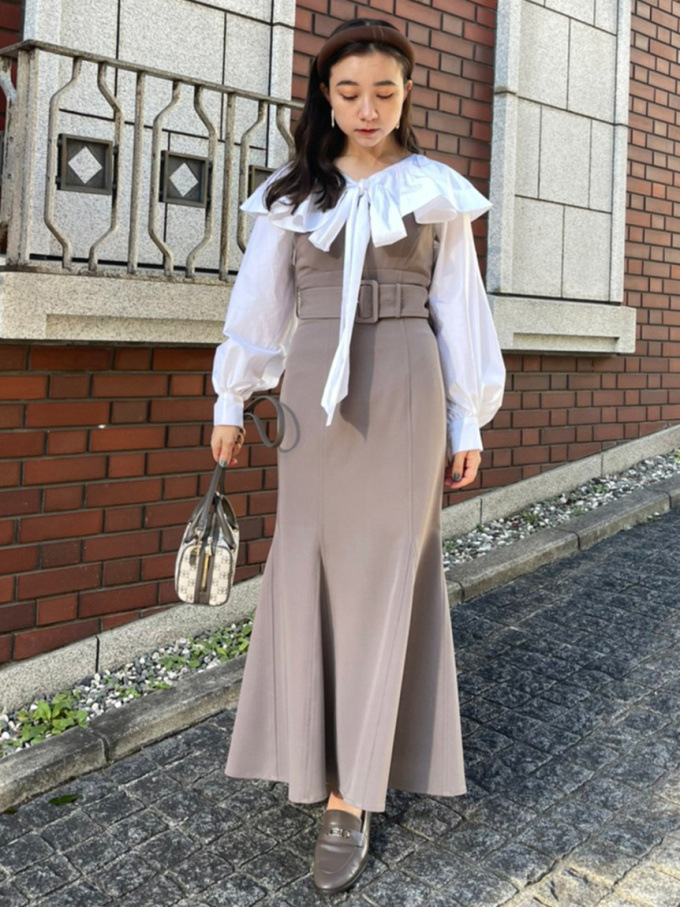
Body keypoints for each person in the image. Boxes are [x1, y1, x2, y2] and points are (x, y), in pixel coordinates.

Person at [210, 17, 506, 895]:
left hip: (408, 379)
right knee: (307, 563)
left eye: (384, 91)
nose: (367, 108)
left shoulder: (435, 191)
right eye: (349, 92)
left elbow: (461, 307)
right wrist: (232, 397)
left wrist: (466, 420)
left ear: (407, 94)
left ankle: (352, 795)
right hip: (312, 389)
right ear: (325, 98)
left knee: (386, 570)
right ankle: (309, 749)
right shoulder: (290, 194)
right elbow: (259, 305)